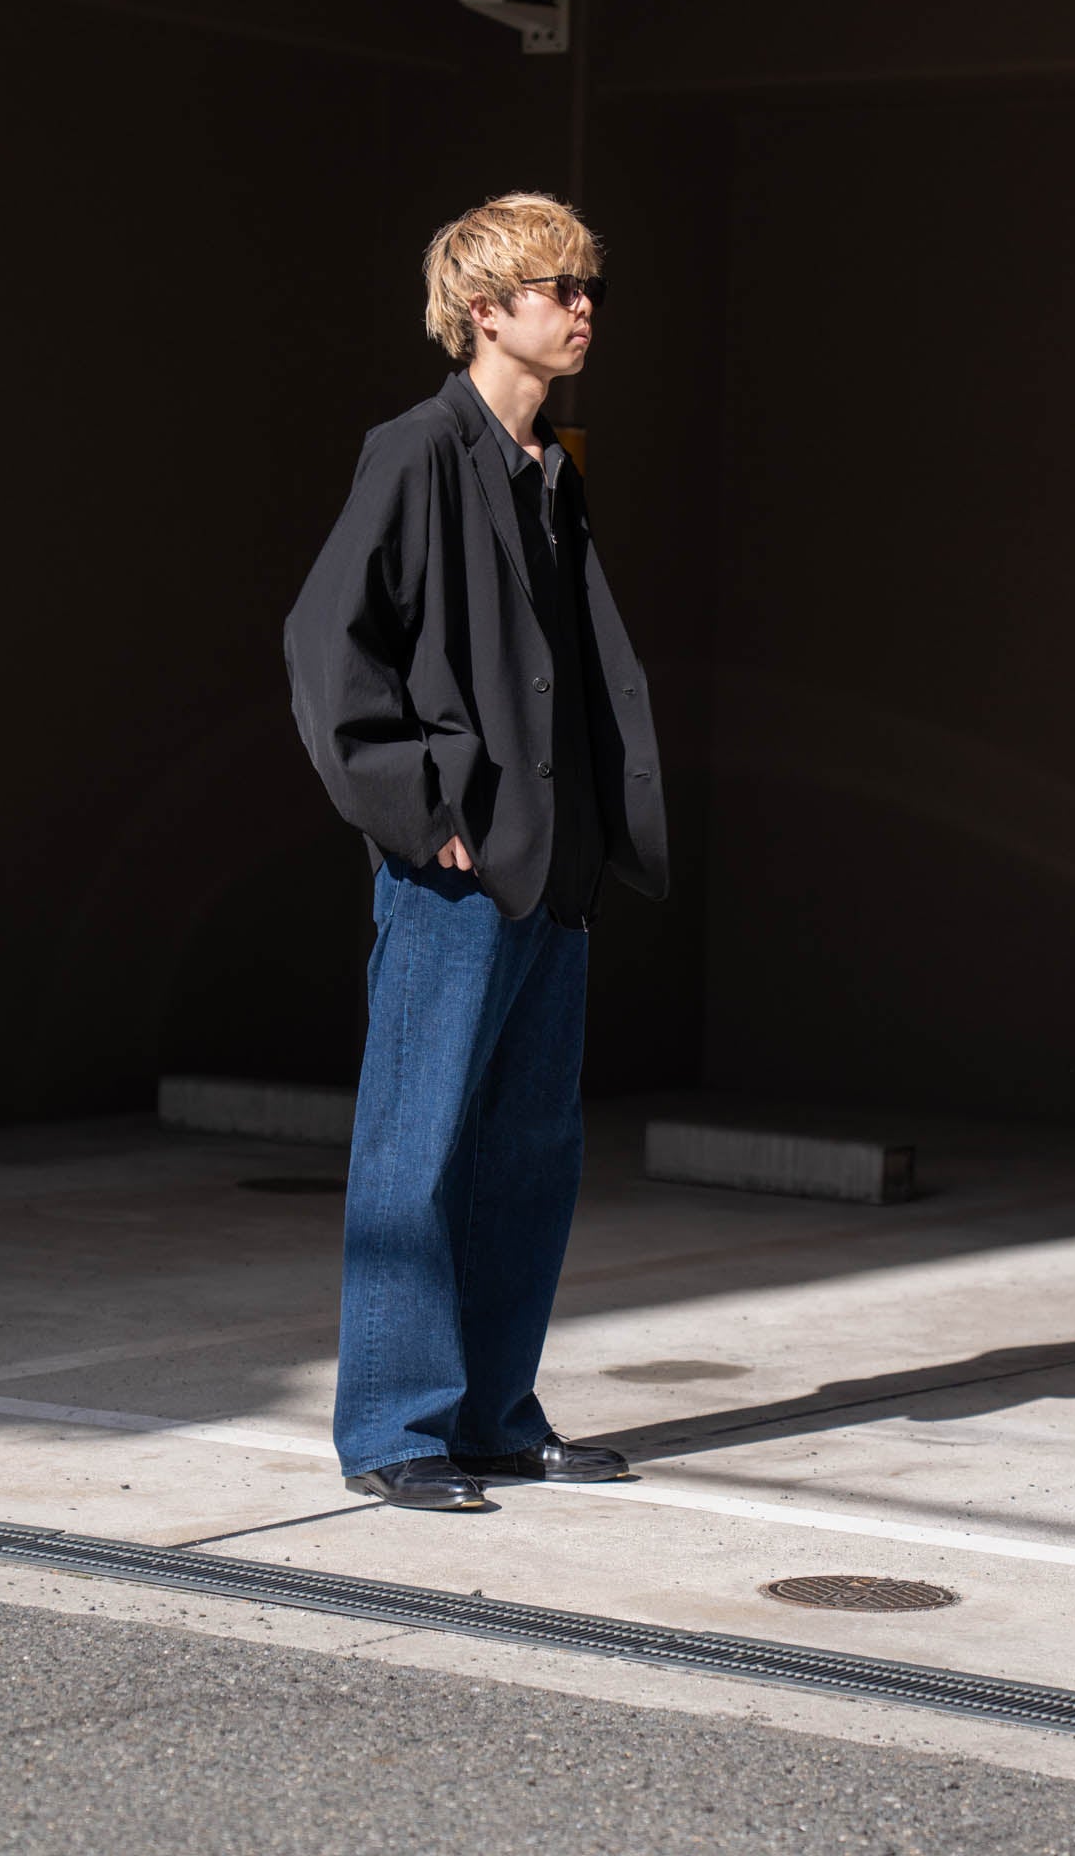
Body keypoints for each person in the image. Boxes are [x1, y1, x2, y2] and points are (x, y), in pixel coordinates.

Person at [283, 192, 668, 1510]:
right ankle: (395, 1430)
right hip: (453, 869)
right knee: (418, 1150)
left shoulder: (549, 466)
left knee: (528, 1154)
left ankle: (496, 1416)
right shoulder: (416, 453)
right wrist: (417, 806)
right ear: (485, 311)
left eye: (588, 288)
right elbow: (326, 646)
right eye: (559, 289)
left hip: (553, 867)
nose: (584, 309)